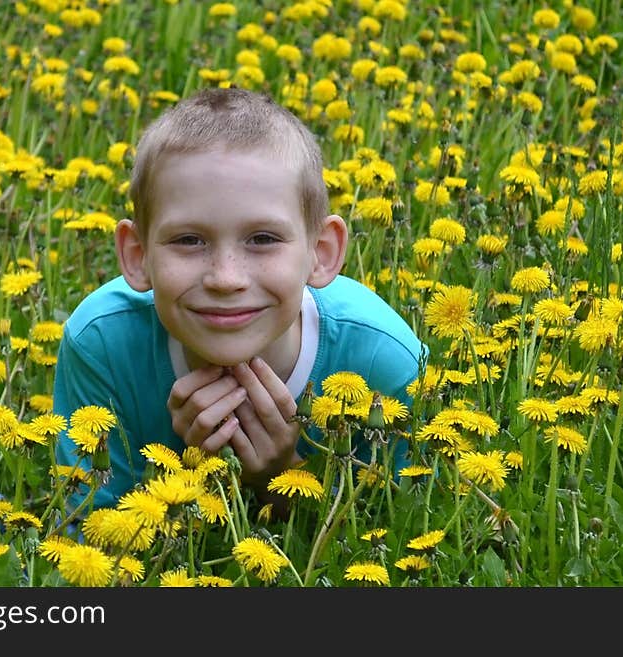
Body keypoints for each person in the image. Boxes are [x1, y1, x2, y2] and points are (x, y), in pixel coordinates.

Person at [53, 86, 426, 518]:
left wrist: (282, 476)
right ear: (137, 257)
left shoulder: (384, 358)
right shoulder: (101, 344)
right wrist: (177, 483)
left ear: (321, 252)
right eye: (188, 240)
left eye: (263, 239)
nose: (226, 278)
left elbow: (402, 536)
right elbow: (87, 534)